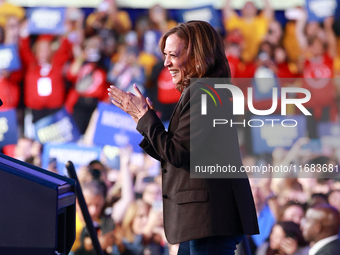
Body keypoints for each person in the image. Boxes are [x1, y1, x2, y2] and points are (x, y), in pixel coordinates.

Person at [108, 20, 259, 254]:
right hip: (202, 221)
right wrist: (142, 119)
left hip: (208, 220)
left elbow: (177, 152)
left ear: (198, 55)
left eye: (173, 55)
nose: (166, 63)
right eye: (164, 55)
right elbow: (176, 153)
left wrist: (144, 116)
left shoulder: (204, 93)